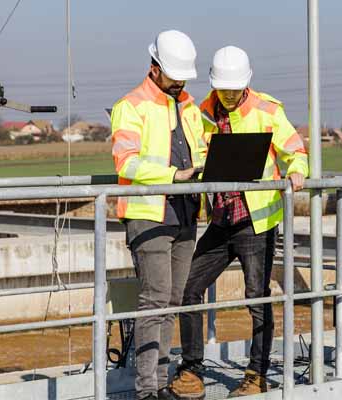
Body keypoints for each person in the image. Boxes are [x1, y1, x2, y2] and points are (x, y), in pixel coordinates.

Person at [171, 46, 308, 398]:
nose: (229, 96)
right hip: (220, 221)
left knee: (256, 299)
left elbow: (295, 149)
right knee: (188, 289)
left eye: (235, 90)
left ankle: (256, 375)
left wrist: (297, 172)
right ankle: (191, 369)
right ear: (215, 86)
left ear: (246, 84)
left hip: (255, 222)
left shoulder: (267, 109)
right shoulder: (200, 112)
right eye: (223, 90)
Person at [110, 30, 207, 400]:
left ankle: (162, 384)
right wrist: (172, 175)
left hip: (185, 211)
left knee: (173, 301)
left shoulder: (189, 106)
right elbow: (127, 162)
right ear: (154, 68)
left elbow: (198, 150)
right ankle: (146, 390)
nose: (180, 81)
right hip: (149, 213)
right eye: (174, 75)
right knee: (155, 299)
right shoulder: (130, 105)